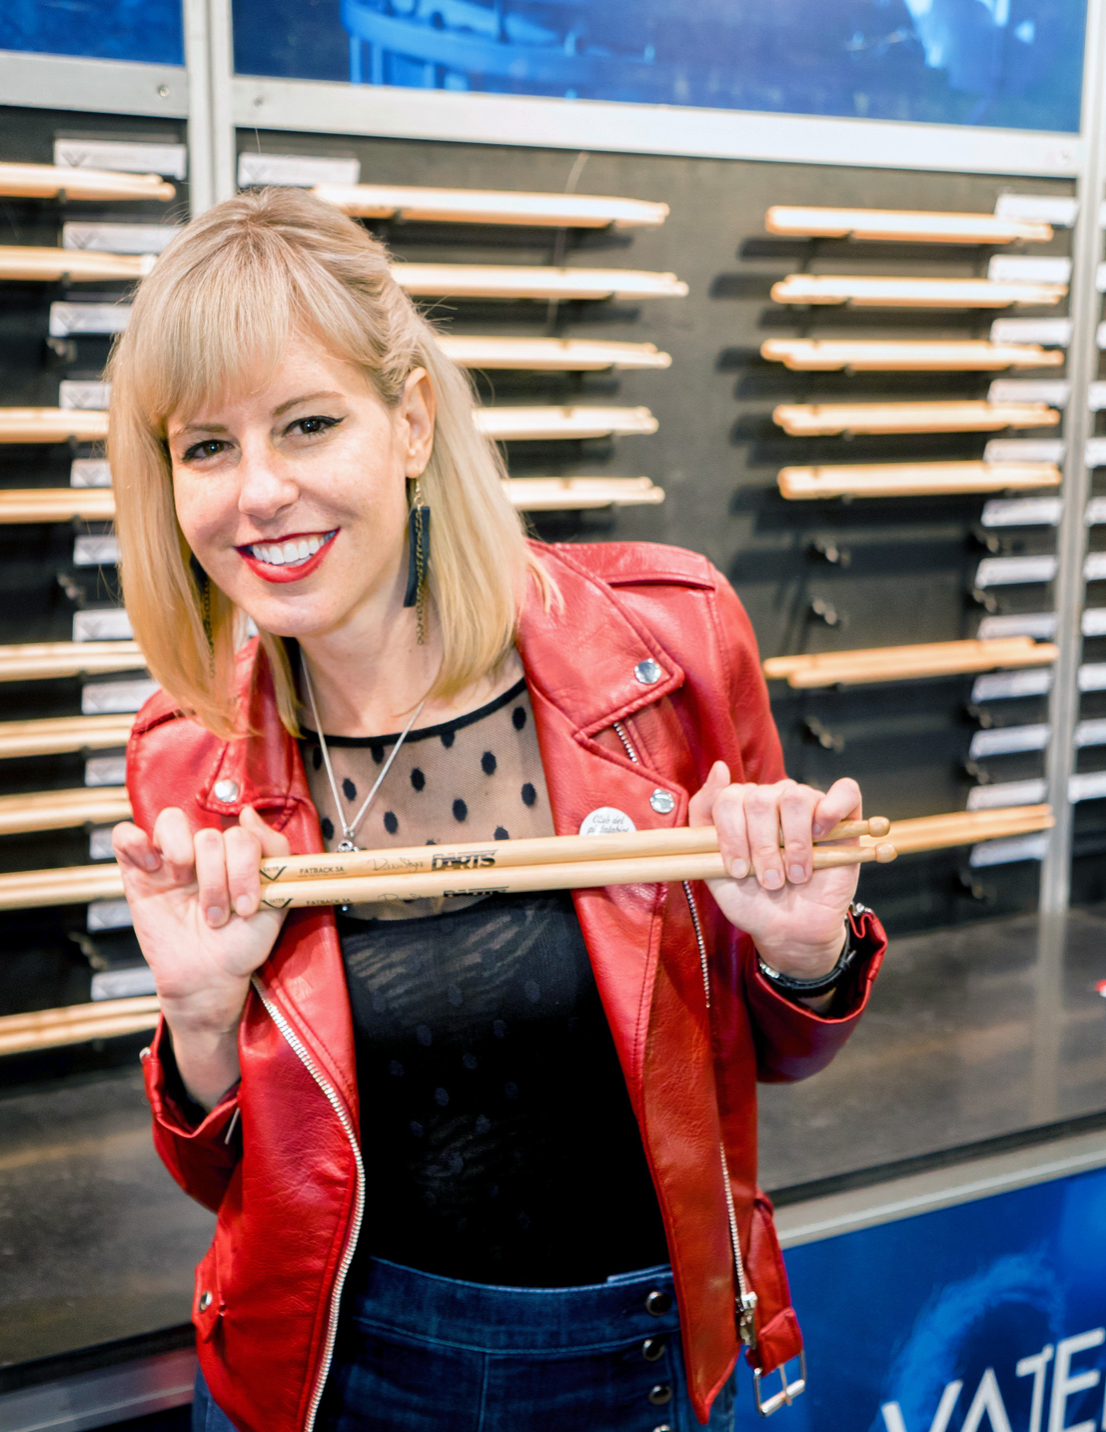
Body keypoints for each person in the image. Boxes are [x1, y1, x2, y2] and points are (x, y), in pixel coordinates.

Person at [108, 187, 886, 1432]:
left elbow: (775, 1049)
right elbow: (227, 1172)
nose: (257, 493)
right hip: (322, 1379)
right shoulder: (184, 753)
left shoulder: (668, 648)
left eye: (308, 425)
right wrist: (200, 1018)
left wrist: (801, 949)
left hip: (634, 1368)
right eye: (207, 446)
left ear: (409, 419)